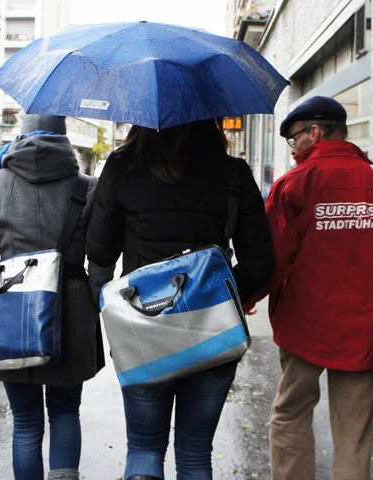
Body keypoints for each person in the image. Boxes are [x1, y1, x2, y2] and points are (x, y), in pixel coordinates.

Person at [245, 96, 373, 480]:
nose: (294, 148)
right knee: (354, 432)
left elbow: (274, 258)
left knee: (291, 414)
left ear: (315, 132)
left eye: (294, 138)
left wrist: (249, 296)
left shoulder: (293, 185)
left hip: (304, 328)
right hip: (365, 330)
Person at [86, 118, 273, 480]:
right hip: (213, 333)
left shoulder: (123, 166)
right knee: (195, 454)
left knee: (142, 449)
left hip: (144, 332)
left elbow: (98, 251)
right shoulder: (233, 173)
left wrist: (111, 311)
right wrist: (227, 302)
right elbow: (261, 262)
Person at [0, 114, 106, 480]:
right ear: (65, 139)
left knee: (26, 423)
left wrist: (7, 300)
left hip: (15, 318)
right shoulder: (87, 186)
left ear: (21, 136)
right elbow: (101, 255)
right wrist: (89, 300)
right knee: (65, 413)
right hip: (72, 316)